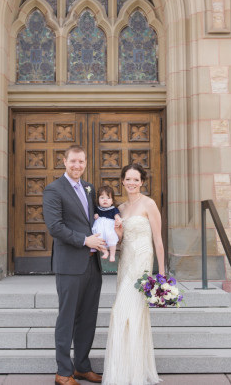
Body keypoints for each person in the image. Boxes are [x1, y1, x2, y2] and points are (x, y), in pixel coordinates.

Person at [43, 144, 107, 385]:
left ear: (85, 162)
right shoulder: (53, 190)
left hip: (92, 265)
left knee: (88, 318)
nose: (77, 166)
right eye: (73, 162)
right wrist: (84, 240)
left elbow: (94, 219)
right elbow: (55, 227)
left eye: (81, 162)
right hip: (70, 264)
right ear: (64, 161)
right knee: (67, 318)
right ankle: (63, 371)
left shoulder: (89, 189)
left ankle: (82, 366)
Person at [102, 163, 165, 385]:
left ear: (142, 182)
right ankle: (123, 371)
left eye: (136, 180)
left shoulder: (149, 204)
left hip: (142, 262)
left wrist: (162, 275)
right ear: (122, 181)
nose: (131, 183)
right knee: (124, 313)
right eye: (128, 179)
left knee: (128, 312)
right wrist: (117, 235)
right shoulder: (119, 209)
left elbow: (158, 240)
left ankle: (134, 373)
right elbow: (117, 241)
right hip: (125, 262)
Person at [92, 185, 123, 262]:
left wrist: (118, 219)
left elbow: (117, 216)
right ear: (98, 200)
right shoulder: (97, 208)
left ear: (112, 201)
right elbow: (94, 214)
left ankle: (112, 254)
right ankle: (105, 252)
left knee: (111, 237)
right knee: (99, 238)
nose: (105, 200)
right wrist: (95, 215)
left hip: (109, 227)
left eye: (108, 198)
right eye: (102, 198)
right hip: (100, 227)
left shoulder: (113, 209)